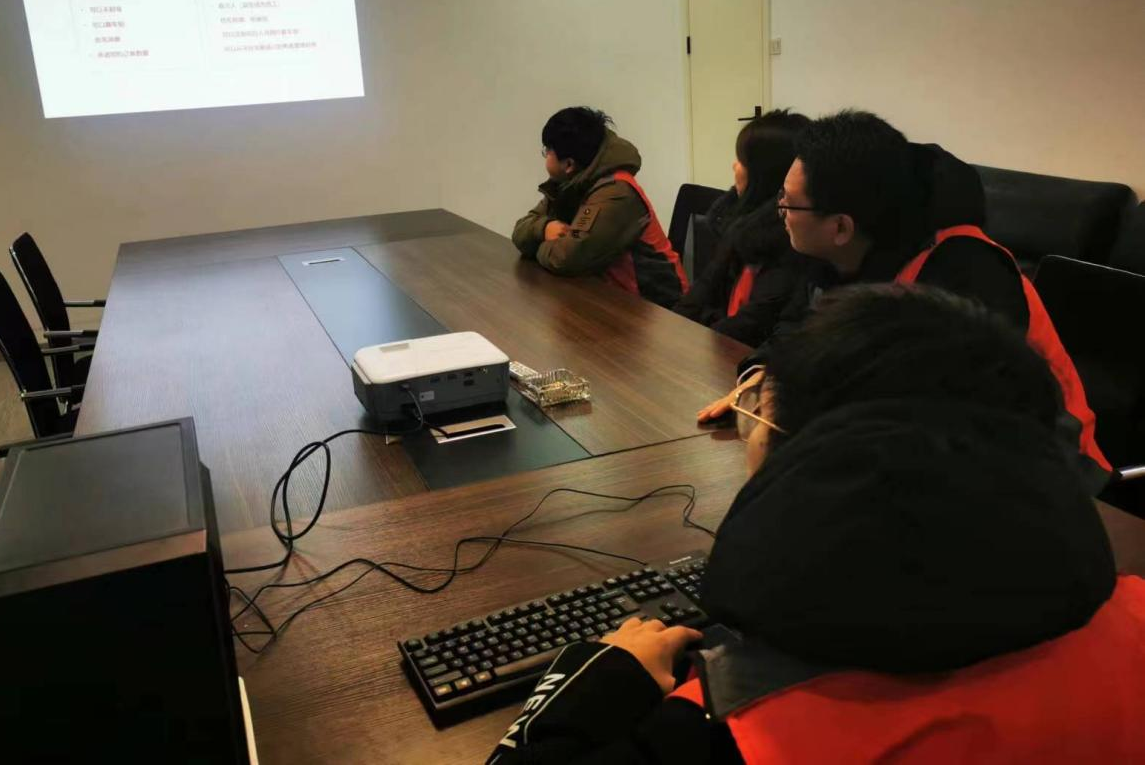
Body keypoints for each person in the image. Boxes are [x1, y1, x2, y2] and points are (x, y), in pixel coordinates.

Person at [488, 285, 1145, 764]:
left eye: (759, 410)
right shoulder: (1136, 612)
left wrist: (595, 683)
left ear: (823, 464)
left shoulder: (735, 728)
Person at [697, 110, 1107, 470]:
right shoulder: (835, 252)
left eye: (788, 202)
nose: (780, 212)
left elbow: (946, 416)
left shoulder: (963, 273)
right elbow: (796, 330)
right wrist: (763, 376)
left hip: (1044, 473)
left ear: (840, 227)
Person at [512, 107, 687, 308]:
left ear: (568, 164)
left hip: (659, 310)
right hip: (609, 299)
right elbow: (521, 229)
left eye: (547, 151)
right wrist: (544, 229)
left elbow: (565, 259)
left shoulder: (616, 192)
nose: (545, 156)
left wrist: (537, 246)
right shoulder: (569, 183)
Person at [674, 110, 809, 346]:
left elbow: (752, 325)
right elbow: (702, 291)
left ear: (765, 174)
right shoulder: (739, 223)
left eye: (743, 161)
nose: (734, 166)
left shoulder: (792, 236)